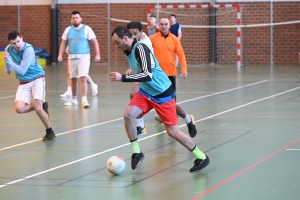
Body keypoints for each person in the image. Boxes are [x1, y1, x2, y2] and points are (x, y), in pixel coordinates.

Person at [110, 26, 210, 172]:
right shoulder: (127, 50)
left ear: (125, 38)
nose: (116, 46)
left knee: (173, 132)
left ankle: (201, 157)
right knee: (128, 115)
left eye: (117, 42)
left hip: (162, 92)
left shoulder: (141, 49)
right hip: (146, 91)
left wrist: (123, 77)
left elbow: (147, 75)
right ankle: (137, 153)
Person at [4, 31, 55, 141]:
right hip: (24, 81)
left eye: (18, 41)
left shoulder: (28, 49)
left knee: (38, 109)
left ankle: (49, 131)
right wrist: (7, 61)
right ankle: (42, 104)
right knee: (19, 109)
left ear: (21, 38)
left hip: (37, 78)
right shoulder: (8, 49)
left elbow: (22, 70)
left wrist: (10, 62)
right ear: (10, 43)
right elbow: (8, 71)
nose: (17, 45)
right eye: (14, 43)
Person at [150, 18, 197, 138]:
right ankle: (163, 117)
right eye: (162, 24)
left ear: (169, 26)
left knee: (171, 103)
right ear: (158, 26)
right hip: (156, 75)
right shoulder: (153, 39)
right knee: (157, 100)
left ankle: (187, 119)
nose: (164, 26)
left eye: (166, 24)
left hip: (170, 75)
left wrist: (184, 69)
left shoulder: (174, 39)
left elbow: (181, 54)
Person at [57, 10, 101, 108]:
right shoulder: (68, 30)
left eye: (77, 18)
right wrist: (60, 54)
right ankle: (74, 99)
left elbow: (95, 41)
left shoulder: (86, 29)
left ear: (80, 19)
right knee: (73, 79)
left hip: (84, 57)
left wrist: (97, 54)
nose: (75, 19)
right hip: (72, 57)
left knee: (83, 78)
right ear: (71, 20)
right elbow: (63, 43)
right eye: (73, 18)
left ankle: (84, 100)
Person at [126, 21, 155, 136]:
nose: (132, 36)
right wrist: (131, 69)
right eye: (130, 34)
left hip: (150, 73)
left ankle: (187, 118)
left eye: (135, 33)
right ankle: (140, 125)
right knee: (134, 94)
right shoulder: (130, 42)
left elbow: (144, 62)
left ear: (141, 32)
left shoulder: (144, 43)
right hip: (140, 72)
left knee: (162, 102)